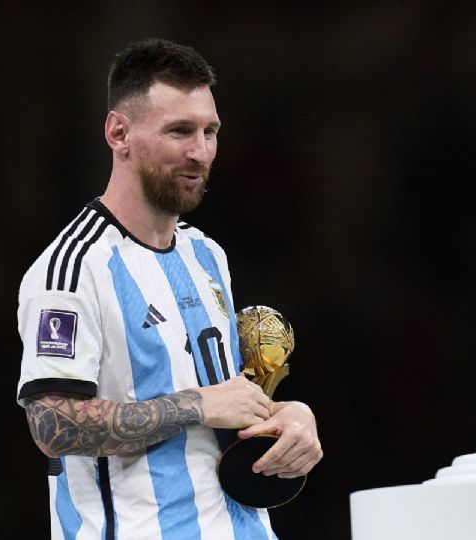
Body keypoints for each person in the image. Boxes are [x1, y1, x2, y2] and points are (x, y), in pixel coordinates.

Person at [16, 38, 322, 540]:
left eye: (210, 131)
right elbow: (52, 426)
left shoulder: (206, 256)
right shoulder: (71, 268)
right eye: (180, 131)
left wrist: (288, 419)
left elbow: (228, 400)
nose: (200, 152)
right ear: (119, 133)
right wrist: (196, 405)